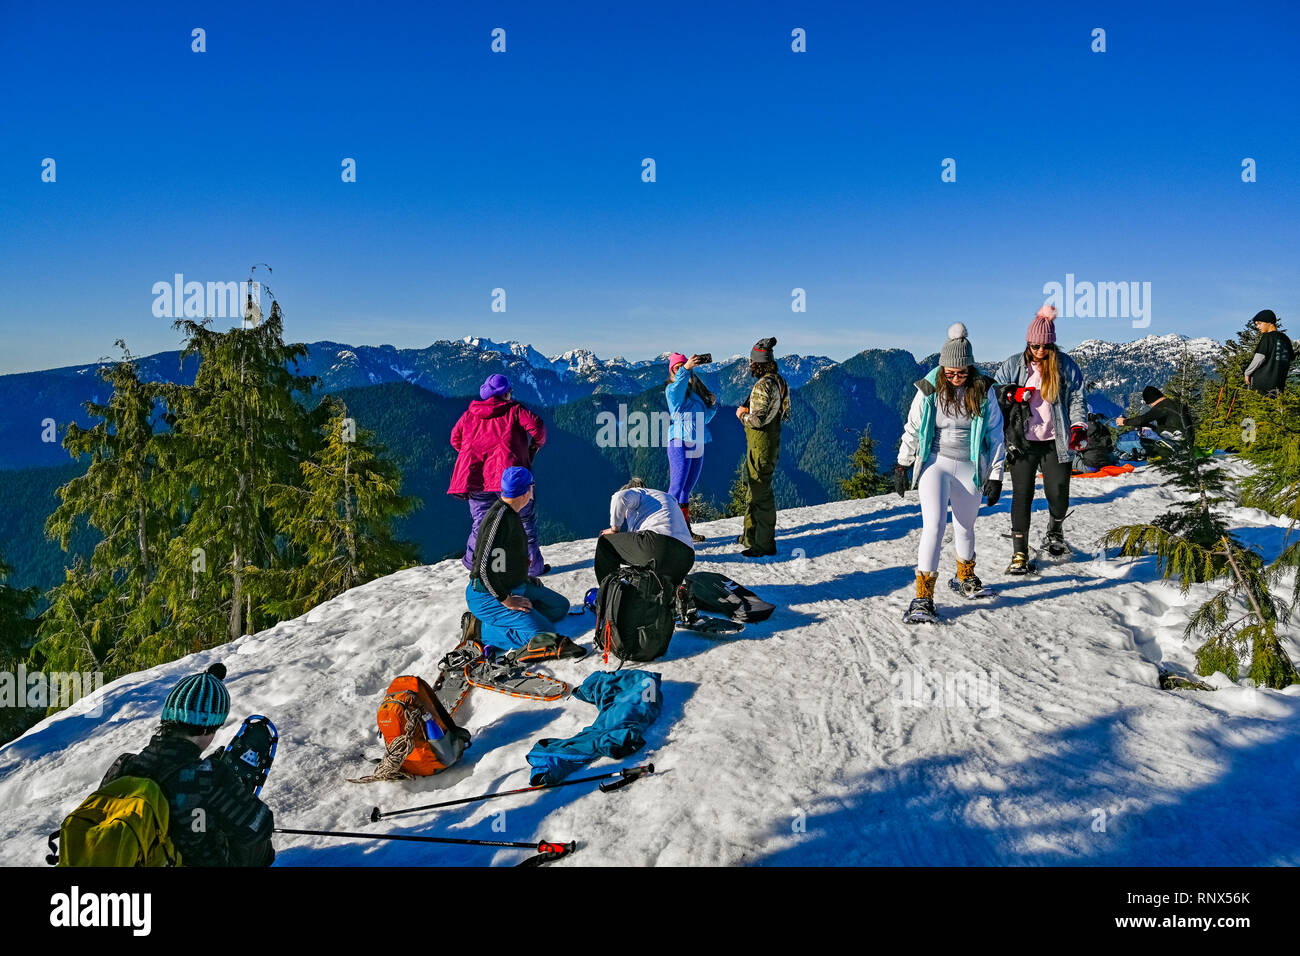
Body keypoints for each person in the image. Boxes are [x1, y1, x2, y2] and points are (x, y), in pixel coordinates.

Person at [99, 663, 275, 867]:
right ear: (209, 728)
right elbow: (260, 826)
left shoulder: (123, 765)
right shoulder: (208, 777)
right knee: (258, 849)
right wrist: (229, 786)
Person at [894, 324, 1006, 623]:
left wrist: (996, 475)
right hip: (936, 463)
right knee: (934, 526)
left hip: (970, 465)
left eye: (961, 372)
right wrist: (903, 463)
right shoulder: (930, 388)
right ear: (943, 368)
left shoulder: (983, 390)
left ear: (969, 368)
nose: (955, 377)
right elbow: (914, 427)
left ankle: (965, 577)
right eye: (950, 372)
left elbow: (996, 435)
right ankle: (922, 597)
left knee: (965, 526)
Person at [994, 304, 1090, 571]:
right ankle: (1019, 553)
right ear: (1028, 343)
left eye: (1044, 347)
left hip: (1055, 441)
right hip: (1022, 442)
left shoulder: (1065, 366)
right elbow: (993, 391)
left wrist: (1078, 426)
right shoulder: (1013, 364)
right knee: (1022, 495)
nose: (1039, 351)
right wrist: (1012, 394)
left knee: (1058, 494)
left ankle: (1055, 529)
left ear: (1052, 345)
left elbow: (1078, 397)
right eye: (1034, 346)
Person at [464, 466, 573, 654]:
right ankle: (480, 628)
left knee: (560, 607)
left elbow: (503, 561)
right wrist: (506, 600)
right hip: (488, 595)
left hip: (514, 585)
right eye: (532, 486)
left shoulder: (510, 513)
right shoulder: (498, 521)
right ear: (526, 491)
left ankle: (522, 619)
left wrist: (525, 579)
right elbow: (484, 569)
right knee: (544, 633)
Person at [449, 374, 548, 576]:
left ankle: (472, 564)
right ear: (506, 393)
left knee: (481, 523)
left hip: (476, 478)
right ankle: (532, 568)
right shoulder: (514, 410)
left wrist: (475, 454)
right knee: (523, 521)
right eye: (510, 391)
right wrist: (534, 446)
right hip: (511, 478)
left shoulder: (469, 415)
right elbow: (538, 428)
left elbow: (455, 439)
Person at [736, 337, 790, 557]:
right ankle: (750, 535)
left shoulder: (763, 385)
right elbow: (785, 413)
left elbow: (757, 420)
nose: (750, 366)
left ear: (757, 363)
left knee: (761, 493)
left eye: (751, 362)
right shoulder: (780, 381)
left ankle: (764, 543)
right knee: (755, 489)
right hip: (771, 441)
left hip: (760, 444)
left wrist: (742, 415)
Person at [595, 478, 696, 590]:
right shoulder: (669, 498)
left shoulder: (638, 493)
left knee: (605, 542)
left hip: (657, 544)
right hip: (687, 557)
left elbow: (620, 497)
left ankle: (607, 594)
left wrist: (614, 529)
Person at [665, 352, 719, 542]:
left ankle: (684, 530)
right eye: (677, 368)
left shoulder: (694, 395)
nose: (681, 370)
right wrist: (686, 368)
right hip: (679, 441)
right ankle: (668, 530)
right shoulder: (672, 391)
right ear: (672, 371)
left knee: (686, 488)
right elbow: (679, 384)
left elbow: (704, 419)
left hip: (697, 441)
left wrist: (712, 406)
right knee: (676, 487)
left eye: (683, 366)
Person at [1116, 386, 1194, 454]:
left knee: (1141, 427)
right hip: (1188, 439)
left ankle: (1139, 452)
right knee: (1148, 427)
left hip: (1177, 441)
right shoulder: (1175, 403)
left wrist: (1124, 421)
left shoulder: (1161, 407)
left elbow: (1143, 419)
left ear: (1150, 401)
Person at [1243, 309, 1293, 396]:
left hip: (1262, 385)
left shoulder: (1267, 337)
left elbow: (1259, 358)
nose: (1258, 327)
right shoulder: (1285, 339)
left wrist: (1247, 372)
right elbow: (1290, 358)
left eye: (1259, 323)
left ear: (1269, 322)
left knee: (1259, 408)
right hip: (1279, 385)